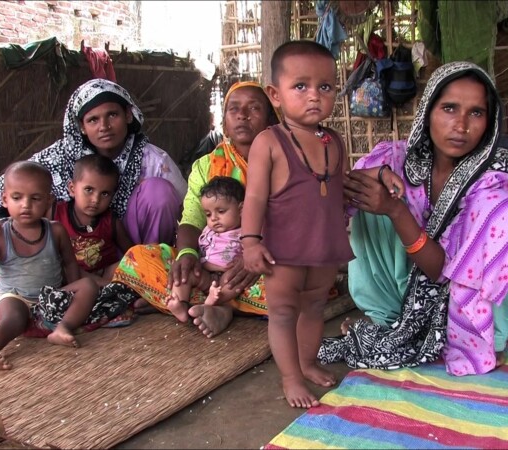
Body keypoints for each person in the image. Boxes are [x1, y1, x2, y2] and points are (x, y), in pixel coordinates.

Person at [318, 61, 508, 376]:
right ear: (428, 113)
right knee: (370, 195)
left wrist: (395, 210)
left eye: (476, 112)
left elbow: (443, 270)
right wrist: (368, 177)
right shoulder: (393, 159)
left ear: (490, 122)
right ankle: (389, 314)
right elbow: (328, 200)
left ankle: (481, 335)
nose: (461, 125)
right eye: (449, 108)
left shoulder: (493, 178)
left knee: (497, 225)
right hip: (416, 292)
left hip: (503, 306)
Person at [100, 81, 279, 337]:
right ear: (225, 122)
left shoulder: (284, 161)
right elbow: (192, 219)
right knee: (137, 258)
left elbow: (295, 222)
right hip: (208, 267)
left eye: (254, 108)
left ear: (270, 117)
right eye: (234, 109)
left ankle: (204, 303)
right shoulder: (206, 165)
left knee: (295, 283)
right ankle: (217, 302)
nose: (242, 115)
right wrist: (186, 254)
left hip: (261, 262)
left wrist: (254, 257)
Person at [241, 40, 353, 409]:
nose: (314, 96)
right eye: (300, 86)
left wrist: (380, 179)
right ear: (275, 94)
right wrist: (250, 242)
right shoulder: (268, 142)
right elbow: (255, 197)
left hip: (323, 246)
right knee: (284, 312)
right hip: (283, 251)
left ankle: (307, 362)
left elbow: (342, 186)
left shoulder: (334, 140)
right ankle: (291, 377)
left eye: (325, 87)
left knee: (316, 307)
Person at [0, 78, 187, 246]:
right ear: (82, 127)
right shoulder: (60, 156)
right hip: (73, 250)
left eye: (112, 115)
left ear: (128, 115)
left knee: (158, 192)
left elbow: (188, 210)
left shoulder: (153, 160)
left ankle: (149, 273)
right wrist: (2, 238)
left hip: (136, 245)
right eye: (93, 120)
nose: (104, 126)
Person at [0, 161, 125, 371]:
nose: (26, 205)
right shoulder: (1, 233)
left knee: (88, 286)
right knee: (15, 317)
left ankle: (62, 328)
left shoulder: (56, 230)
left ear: (49, 201)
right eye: (17, 197)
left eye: (35, 198)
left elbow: (70, 264)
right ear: (5, 200)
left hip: (50, 295)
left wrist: (74, 294)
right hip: (14, 296)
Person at [51, 154, 134, 287]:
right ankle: (104, 286)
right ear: (72, 189)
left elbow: (132, 253)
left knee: (129, 264)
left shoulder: (111, 221)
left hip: (103, 273)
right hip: (69, 275)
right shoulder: (56, 213)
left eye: (105, 193)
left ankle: (104, 286)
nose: (96, 200)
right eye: (89, 190)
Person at [170, 176, 245, 307]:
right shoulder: (207, 230)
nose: (214, 218)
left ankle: (213, 303)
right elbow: (199, 256)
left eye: (221, 211)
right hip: (205, 275)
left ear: (241, 209)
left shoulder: (245, 232)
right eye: (208, 214)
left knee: (233, 282)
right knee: (184, 275)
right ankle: (180, 304)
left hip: (226, 278)